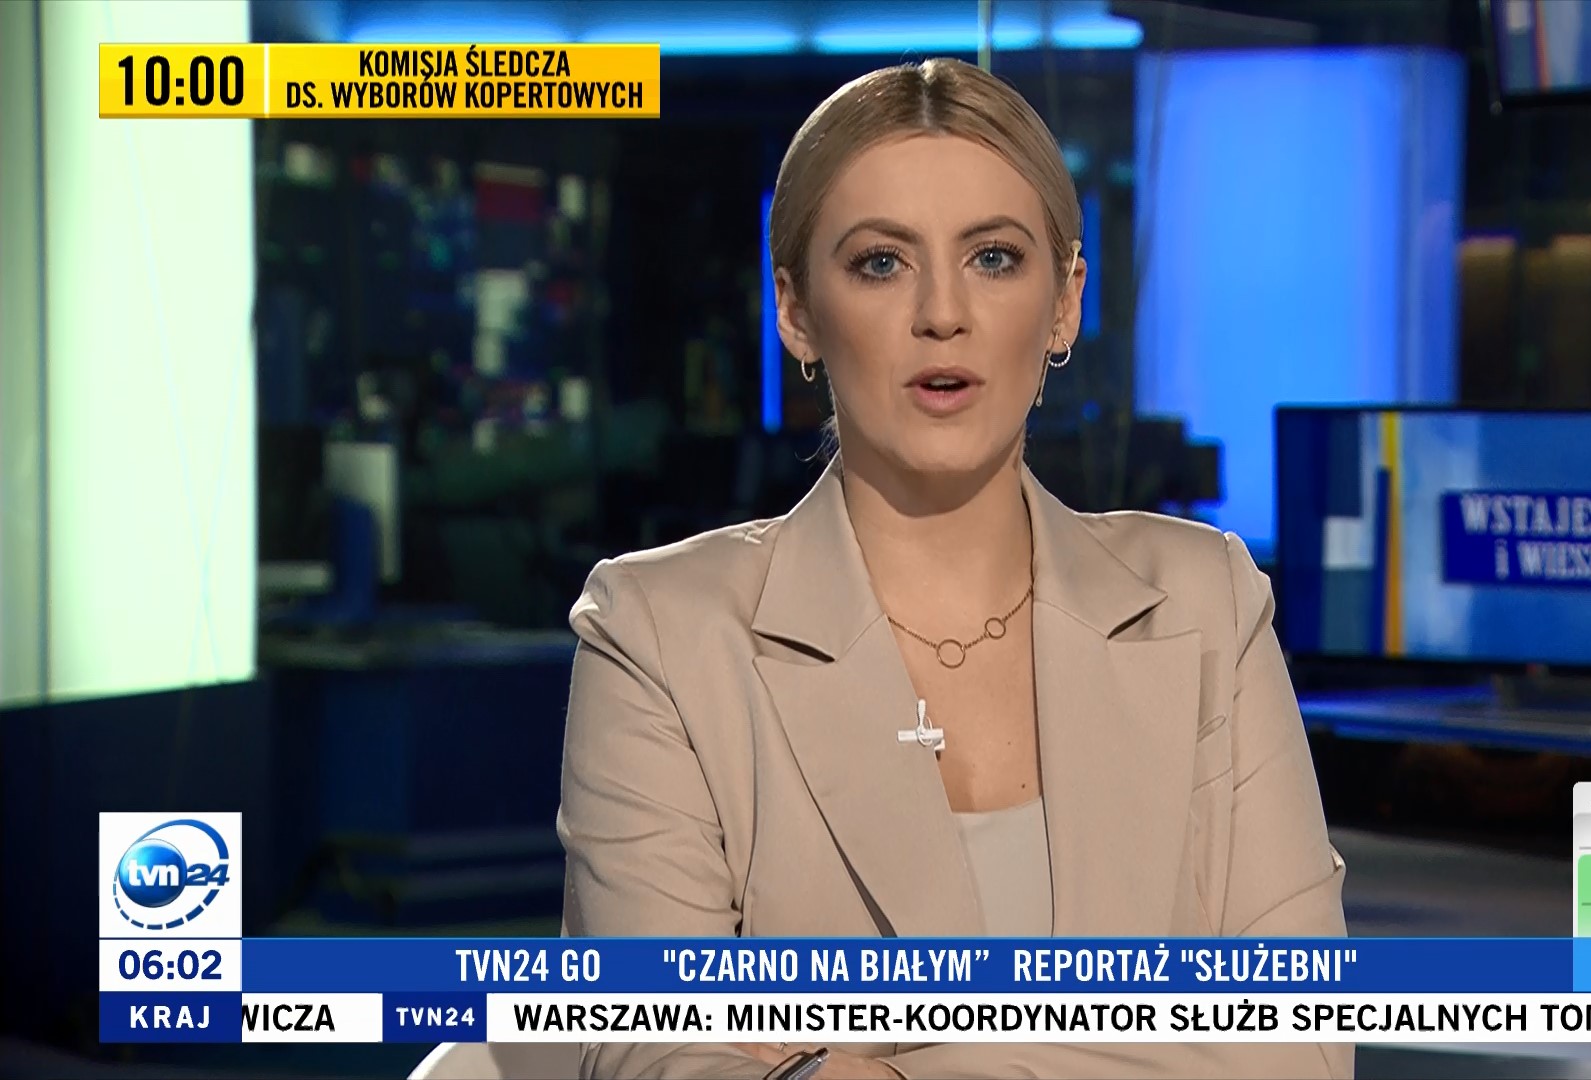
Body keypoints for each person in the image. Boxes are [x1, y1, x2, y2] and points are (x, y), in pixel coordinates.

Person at [558, 58, 1349, 1080]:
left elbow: (1301, 1049)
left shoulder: (1207, 601)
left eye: (995, 258)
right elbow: (654, 1055)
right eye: (882, 262)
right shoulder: (659, 635)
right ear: (795, 310)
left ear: (1064, 303)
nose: (943, 312)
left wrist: (870, 1065)